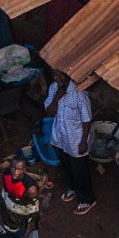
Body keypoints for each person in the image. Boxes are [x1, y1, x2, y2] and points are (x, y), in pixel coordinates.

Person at [43, 69, 95, 214]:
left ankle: (87, 199)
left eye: (61, 75)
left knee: (80, 170)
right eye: (54, 75)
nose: (58, 78)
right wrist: (57, 97)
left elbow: (87, 119)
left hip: (76, 139)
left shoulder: (79, 92)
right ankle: (73, 188)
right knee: (66, 165)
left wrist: (83, 142)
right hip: (61, 137)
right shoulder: (54, 88)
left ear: (68, 74)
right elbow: (49, 112)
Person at [0, 155, 44, 238]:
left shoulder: (31, 189)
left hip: (25, 226)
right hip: (10, 221)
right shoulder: (7, 175)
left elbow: (34, 215)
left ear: (24, 170)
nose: (15, 171)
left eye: (19, 169)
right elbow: (3, 197)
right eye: (13, 168)